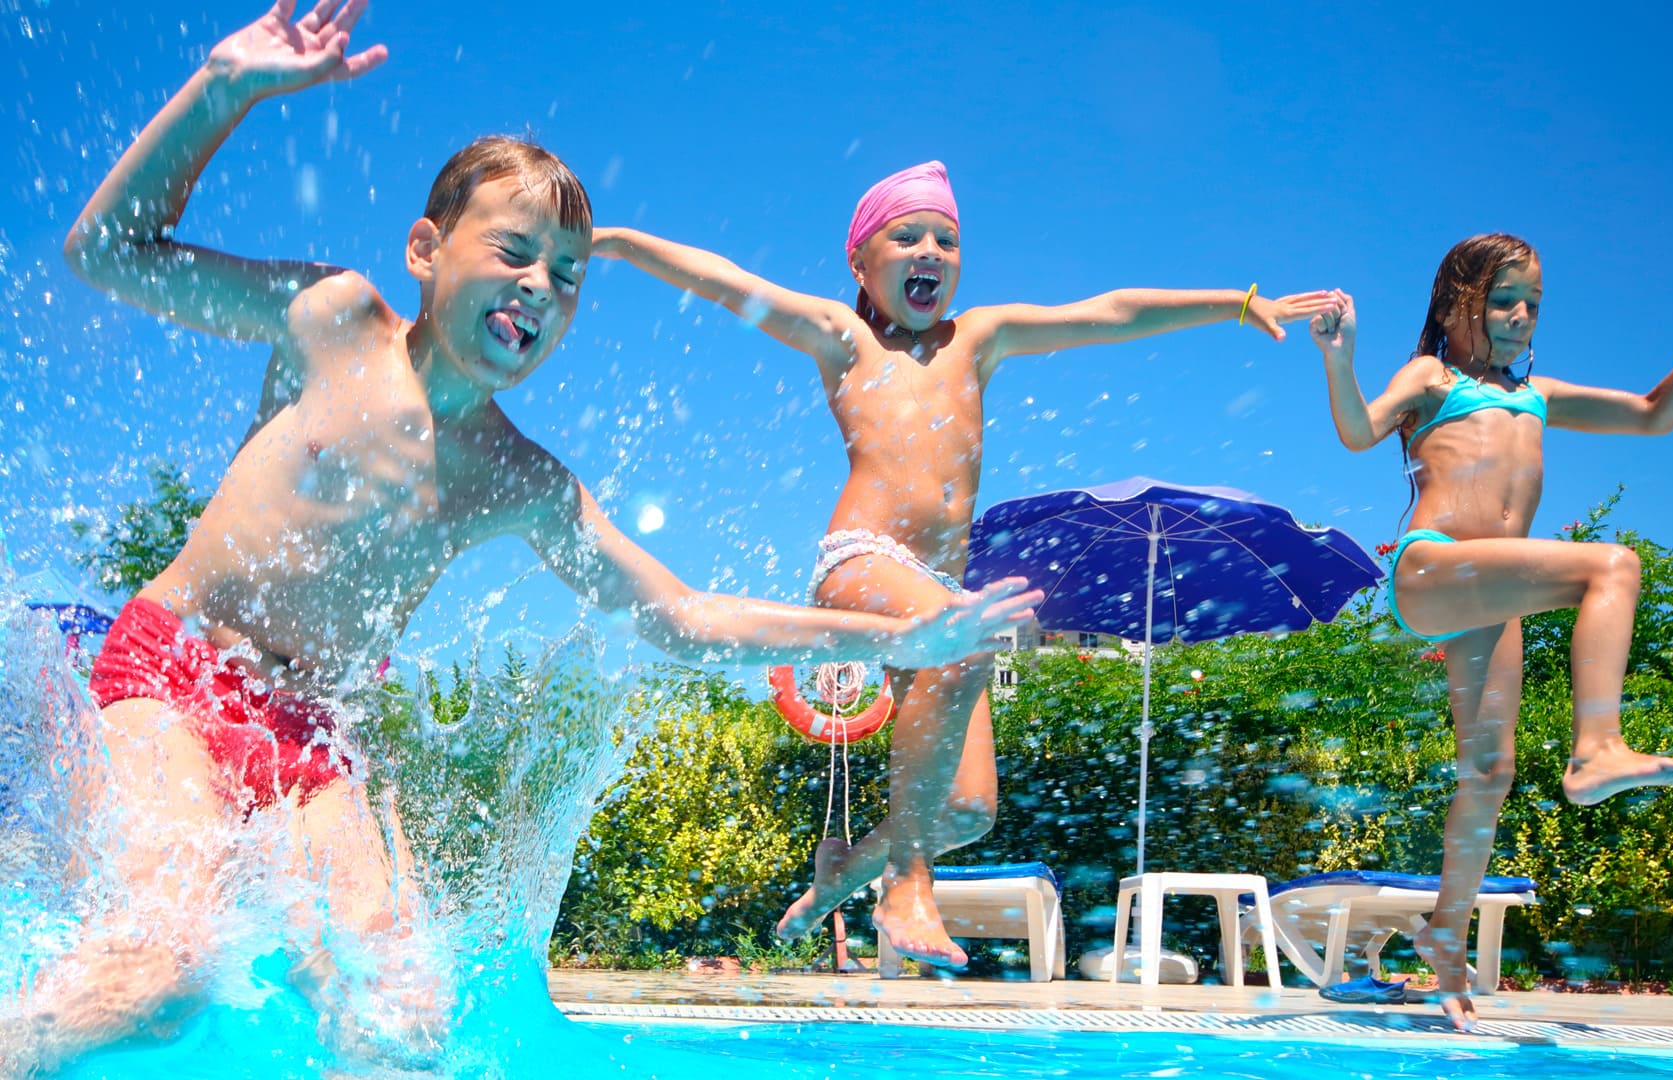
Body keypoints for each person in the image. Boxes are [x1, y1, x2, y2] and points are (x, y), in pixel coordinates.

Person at [8, 2, 1039, 1071]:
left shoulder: (524, 480)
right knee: (159, 975)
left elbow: (681, 617)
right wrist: (225, 89)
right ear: (426, 248)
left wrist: (891, 643)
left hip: (315, 743)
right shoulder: (332, 322)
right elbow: (108, 250)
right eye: (515, 252)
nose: (541, 287)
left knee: (399, 1017)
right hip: (176, 675)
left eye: (569, 276)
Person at [592, 160, 1336, 970]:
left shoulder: (977, 339)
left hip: (939, 589)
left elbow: (1108, 313)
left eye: (946, 239)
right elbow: (727, 282)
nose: (930, 252)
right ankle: (905, 881)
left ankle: (850, 862)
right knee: (961, 643)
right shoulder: (843, 339)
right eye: (906, 235)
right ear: (861, 262)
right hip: (863, 560)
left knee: (970, 808)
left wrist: (1234, 303)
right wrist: (624, 244)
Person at [1306, 233, 1673, 1030]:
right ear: (1455, 304)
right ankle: (1597, 747)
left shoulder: (1538, 393)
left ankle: (1444, 936)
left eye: (1533, 303)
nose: (1519, 315)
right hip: (1434, 567)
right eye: (1503, 298)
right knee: (1611, 566)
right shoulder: (1432, 377)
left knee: (1489, 770)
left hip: (1487, 597)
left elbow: (1653, 415)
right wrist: (1340, 357)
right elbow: (1358, 430)